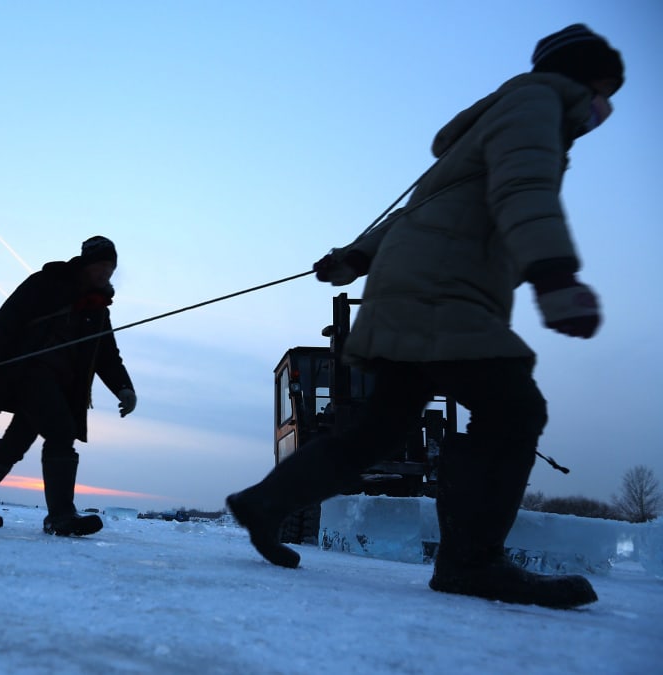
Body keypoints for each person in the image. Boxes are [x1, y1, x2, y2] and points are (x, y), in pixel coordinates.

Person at [226, 24, 623, 609]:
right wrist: (556, 277)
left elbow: (423, 211)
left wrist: (357, 256)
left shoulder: (497, 119)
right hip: (445, 292)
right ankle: (470, 561)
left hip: (412, 289)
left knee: (377, 431)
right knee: (514, 408)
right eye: (603, 92)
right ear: (580, 77)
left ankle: (265, 503)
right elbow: (525, 187)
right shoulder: (539, 102)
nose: (604, 109)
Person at [0, 235, 137, 536]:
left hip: (63, 387)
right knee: (62, 432)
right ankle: (61, 516)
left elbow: (107, 354)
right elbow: (7, 320)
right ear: (87, 264)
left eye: (110, 268)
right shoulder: (46, 283)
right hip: (29, 373)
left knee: (16, 440)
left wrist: (124, 388)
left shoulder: (99, 309)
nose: (105, 273)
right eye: (101, 265)